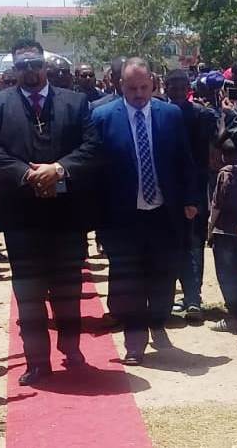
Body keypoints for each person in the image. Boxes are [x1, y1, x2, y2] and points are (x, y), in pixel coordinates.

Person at [0, 39, 101, 386]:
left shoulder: (75, 102)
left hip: (67, 214)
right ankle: (36, 361)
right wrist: (27, 174)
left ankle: (72, 349)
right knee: (29, 291)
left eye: (35, 64)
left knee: (68, 286)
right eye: (22, 66)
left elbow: (92, 147)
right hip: (21, 216)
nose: (30, 72)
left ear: (45, 65)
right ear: (14, 68)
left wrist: (59, 169)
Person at [92, 58, 197, 365]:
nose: (138, 94)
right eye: (131, 87)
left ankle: (158, 324)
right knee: (129, 280)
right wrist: (98, 218)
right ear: (119, 85)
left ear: (153, 83)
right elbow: (95, 171)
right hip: (122, 216)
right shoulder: (102, 117)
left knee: (163, 276)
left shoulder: (171, 114)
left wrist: (191, 199)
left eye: (143, 87)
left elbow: (185, 161)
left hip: (164, 212)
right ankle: (134, 342)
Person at [165, 70, 217, 321]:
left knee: (193, 245)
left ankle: (193, 299)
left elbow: (204, 157)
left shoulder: (201, 115)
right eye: (170, 87)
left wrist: (195, 197)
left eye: (180, 87)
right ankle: (185, 296)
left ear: (188, 88)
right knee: (175, 245)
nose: (175, 91)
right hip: (167, 192)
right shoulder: (160, 114)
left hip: (194, 189)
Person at [208, 139, 237, 333]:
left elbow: (217, 204)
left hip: (224, 231)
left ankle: (235, 316)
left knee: (227, 275)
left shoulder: (225, 173)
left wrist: (209, 229)